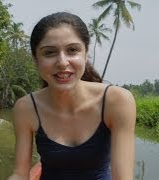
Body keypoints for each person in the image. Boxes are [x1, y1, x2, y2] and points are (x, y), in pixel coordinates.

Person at [8, 12, 136, 180]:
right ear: (35, 59)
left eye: (72, 50)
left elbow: (123, 177)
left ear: (85, 53)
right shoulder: (26, 107)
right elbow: (20, 174)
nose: (62, 62)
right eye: (49, 52)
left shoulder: (116, 101)